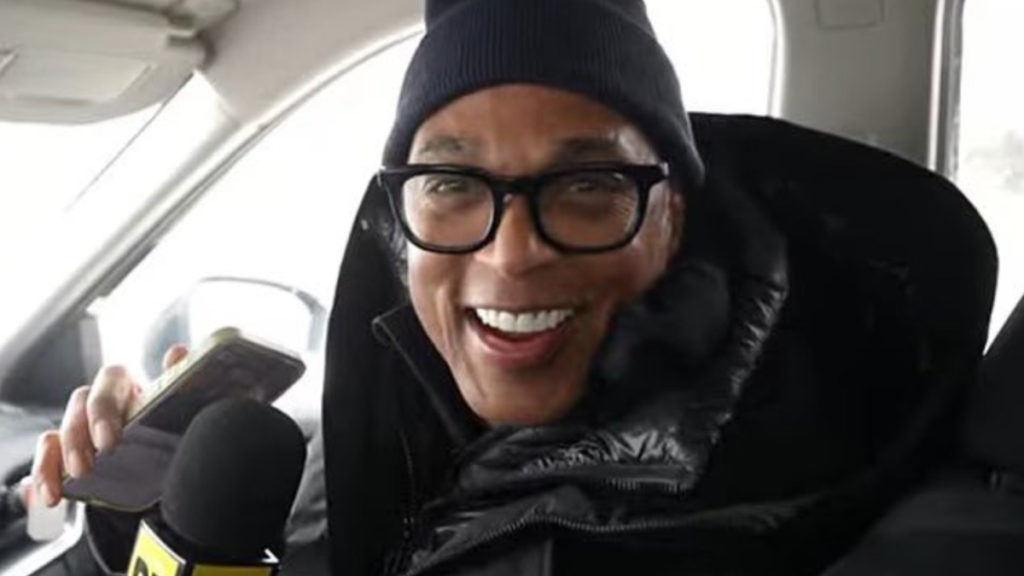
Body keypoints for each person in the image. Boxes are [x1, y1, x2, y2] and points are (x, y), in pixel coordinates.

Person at [30, 0, 996, 574]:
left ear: (673, 216)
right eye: (453, 184)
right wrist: (143, 533)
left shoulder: (774, 510)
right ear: (398, 217)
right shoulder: (382, 426)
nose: (513, 253)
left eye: (588, 185)